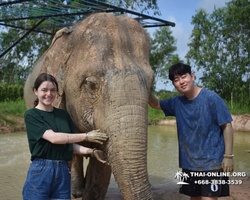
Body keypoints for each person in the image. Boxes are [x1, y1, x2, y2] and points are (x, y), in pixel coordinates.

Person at [148, 63, 234, 200]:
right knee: (194, 198)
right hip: (189, 164)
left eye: (183, 77)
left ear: (192, 76)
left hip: (212, 163)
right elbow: (155, 104)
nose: (181, 82)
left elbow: (227, 125)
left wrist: (228, 156)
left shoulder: (211, 98)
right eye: (176, 80)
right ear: (174, 84)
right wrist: (145, 86)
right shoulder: (177, 102)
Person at [22, 73, 108, 200]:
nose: (49, 94)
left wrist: (90, 151)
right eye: (44, 90)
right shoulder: (32, 115)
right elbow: (54, 138)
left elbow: (68, 145)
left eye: (52, 90)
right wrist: (86, 136)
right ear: (35, 91)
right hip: (41, 171)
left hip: (63, 170)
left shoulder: (63, 115)